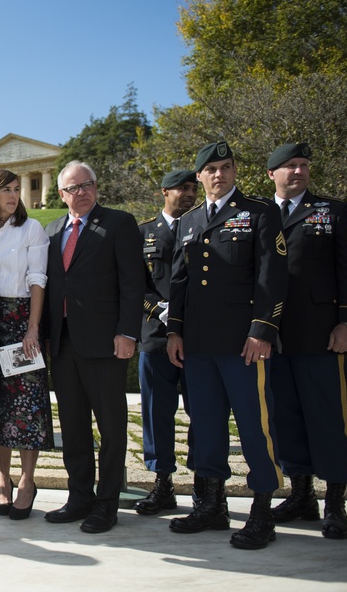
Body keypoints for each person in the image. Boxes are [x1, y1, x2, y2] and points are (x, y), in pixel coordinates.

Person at [166, 140, 288, 550]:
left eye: (227, 167)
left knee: (256, 428)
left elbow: (272, 276)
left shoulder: (259, 213)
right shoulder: (189, 220)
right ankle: (211, 505)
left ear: (235, 171)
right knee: (207, 427)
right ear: (198, 176)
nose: (220, 174)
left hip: (243, 344)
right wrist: (175, 332)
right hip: (198, 346)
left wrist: (262, 330)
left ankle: (262, 511)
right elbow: (179, 283)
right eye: (211, 169)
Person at [264, 142, 347, 540]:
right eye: (290, 166)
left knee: (328, 419)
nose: (299, 171)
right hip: (272, 337)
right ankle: (301, 494)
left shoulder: (333, 211)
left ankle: (336, 502)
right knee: (283, 417)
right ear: (271, 173)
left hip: (321, 335)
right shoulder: (257, 214)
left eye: (304, 165)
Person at [42, 160, 144, 534]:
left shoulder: (119, 224)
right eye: (72, 188)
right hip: (64, 344)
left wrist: (127, 333)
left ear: (96, 188)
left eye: (87, 185)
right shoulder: (51, 231)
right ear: (61, 194)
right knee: (72, 426)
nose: (80, 192)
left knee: (112, 427)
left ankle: (106, 503)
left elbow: (133, 284)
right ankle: (79, 496)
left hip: (105, 343)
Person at [0, 169, 52, 521]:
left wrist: (32, 329)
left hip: (21, 320)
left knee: (27, 403)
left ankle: (27, 481)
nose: (14, 195)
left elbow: (37, 279)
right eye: (6, 190)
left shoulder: (31, 228)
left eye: (17, 189)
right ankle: (1, 478)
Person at [134, 169, 198, 515]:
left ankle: (205, 484)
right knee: (157, 413)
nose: (189, 194)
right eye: (181, 188)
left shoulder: (203, 226)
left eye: (192, 188)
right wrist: (157, 308)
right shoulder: (142, 233)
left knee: (203, 412)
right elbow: (133, 283)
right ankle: (162, 483)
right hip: (156, 337)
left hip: (198, 336)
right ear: (164, 192)